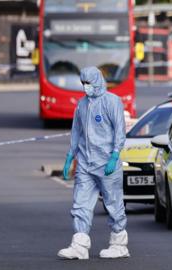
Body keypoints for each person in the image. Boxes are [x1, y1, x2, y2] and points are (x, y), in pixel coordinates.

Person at [57, 66, 128, 260]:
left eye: (88, 83)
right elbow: (76, 132)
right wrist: (70, 156)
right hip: (85, 163)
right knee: (80, 204)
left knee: (113, 203)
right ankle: (79, 245)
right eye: (83, 83)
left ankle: (119, 244)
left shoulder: (113, 102)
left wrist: (114, 155)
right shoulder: (82, 104)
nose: (85, 87)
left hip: (107, 163)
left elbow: (119, 131)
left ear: (97, 80)